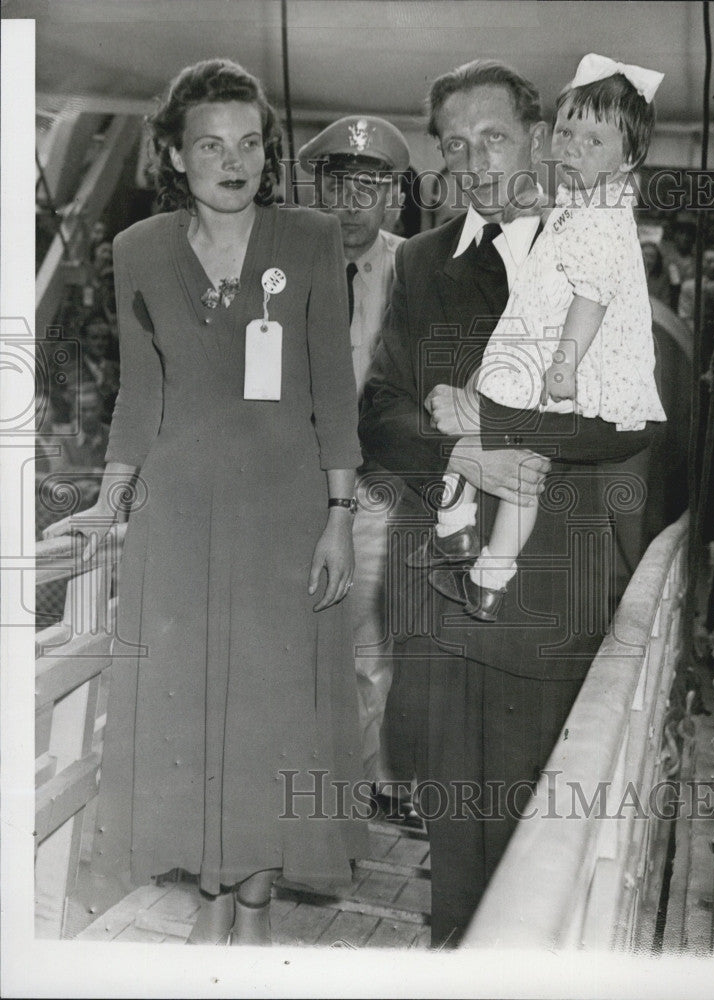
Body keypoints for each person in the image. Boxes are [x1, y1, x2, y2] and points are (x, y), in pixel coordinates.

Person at [44, 59, 367, 947]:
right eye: (211, 146)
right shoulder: (138, 250)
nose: (235, 161)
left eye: (251, 144)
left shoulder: (310, 238)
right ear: (175, 158)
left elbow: (332, 388)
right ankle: (210, 905)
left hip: (286, 520)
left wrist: (339, 515)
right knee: (193, 716)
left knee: (268, 721)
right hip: (179, 521)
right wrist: (111, 503)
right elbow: (137, 399)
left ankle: (250, 912)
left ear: (269, 153)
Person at [359, 58, 658, 947]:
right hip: (443, 599)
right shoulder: (419, 261)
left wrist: (498, 436)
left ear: (539, 137)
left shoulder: (601, 245)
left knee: (543, 847)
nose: (475, 158)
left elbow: (629, 419)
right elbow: (379, 414)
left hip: (551, 602)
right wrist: (462, 456)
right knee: (456, 863)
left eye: (493, 135)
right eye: (455, 144)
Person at [416, 55, 667, 621]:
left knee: (486, 416)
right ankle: (487, 570)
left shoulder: (605, 215)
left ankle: (461, 531)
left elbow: (592, 296)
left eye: (593, 140)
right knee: (507, 440)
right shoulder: (589, 200)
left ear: (628, 158)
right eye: (568, 131)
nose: (574, 147)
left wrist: (566, 362)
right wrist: (542, 202)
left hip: (569, 356)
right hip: (543, 345)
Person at [297, 116, 421, 823]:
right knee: (293, 634)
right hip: (292, 483)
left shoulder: (418, 269)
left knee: (374, 637)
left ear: (394, 198)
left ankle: (377, 783)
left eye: (369, 185)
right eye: (338, 183)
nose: (350, 201)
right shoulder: (278, 267)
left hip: (376, 483)